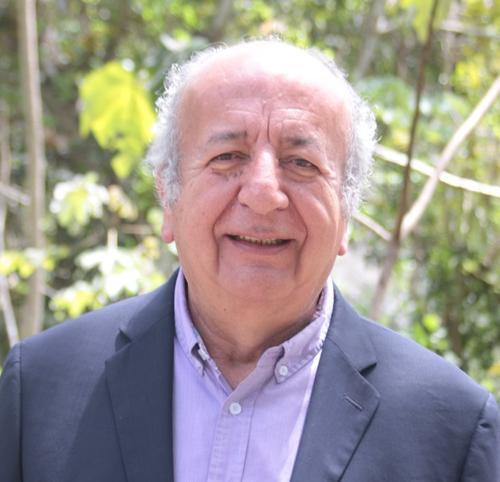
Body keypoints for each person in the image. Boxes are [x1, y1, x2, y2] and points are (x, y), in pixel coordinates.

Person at [0, 39, 498, 482]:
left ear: (347, 212)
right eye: (228, 157)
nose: (263, 194)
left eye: (301, 163)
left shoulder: (451, 430)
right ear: (168, 195)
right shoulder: (41, 390)